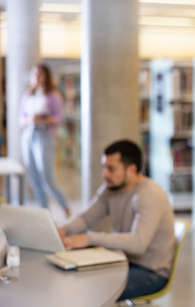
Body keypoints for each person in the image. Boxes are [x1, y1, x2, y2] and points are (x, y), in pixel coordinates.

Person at [59, 140, 175, 301]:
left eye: (111, 169)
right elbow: (86, 218)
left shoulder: (149, 195)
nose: (105, 174)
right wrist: (63, 230)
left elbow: (138, 243)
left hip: (150, 272)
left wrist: (89, 238)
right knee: (73, 273)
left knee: (89, 288)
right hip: (123, 261)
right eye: (104, 167)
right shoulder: (111, 189)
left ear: (132, 169)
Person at [20, 63, 71, 217]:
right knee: (34, 177)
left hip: (45, 136)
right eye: (34, 74)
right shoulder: (28, 95)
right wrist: (30, 119)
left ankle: (64, 205)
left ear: (46, 76)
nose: (37, 78)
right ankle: (44, 212)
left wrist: (44, 119)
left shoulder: (53, 95)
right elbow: (20, 119)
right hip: (29, 135)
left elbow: (59, 117)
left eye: (40, 74)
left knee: (47, 177)